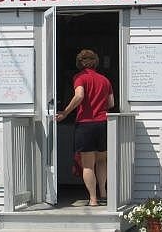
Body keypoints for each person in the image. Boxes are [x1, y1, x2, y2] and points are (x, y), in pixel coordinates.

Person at [56, 49, 114, 207]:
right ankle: (104, 192)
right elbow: (111, 104)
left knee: (88, 164)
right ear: (95, 62)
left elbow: (79, 95)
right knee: (102, 160)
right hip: (103, 123)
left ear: (79, 63)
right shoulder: (105, 80)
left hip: (86, 124)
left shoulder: (80, 78)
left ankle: (93, 199)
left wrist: (65, 112)